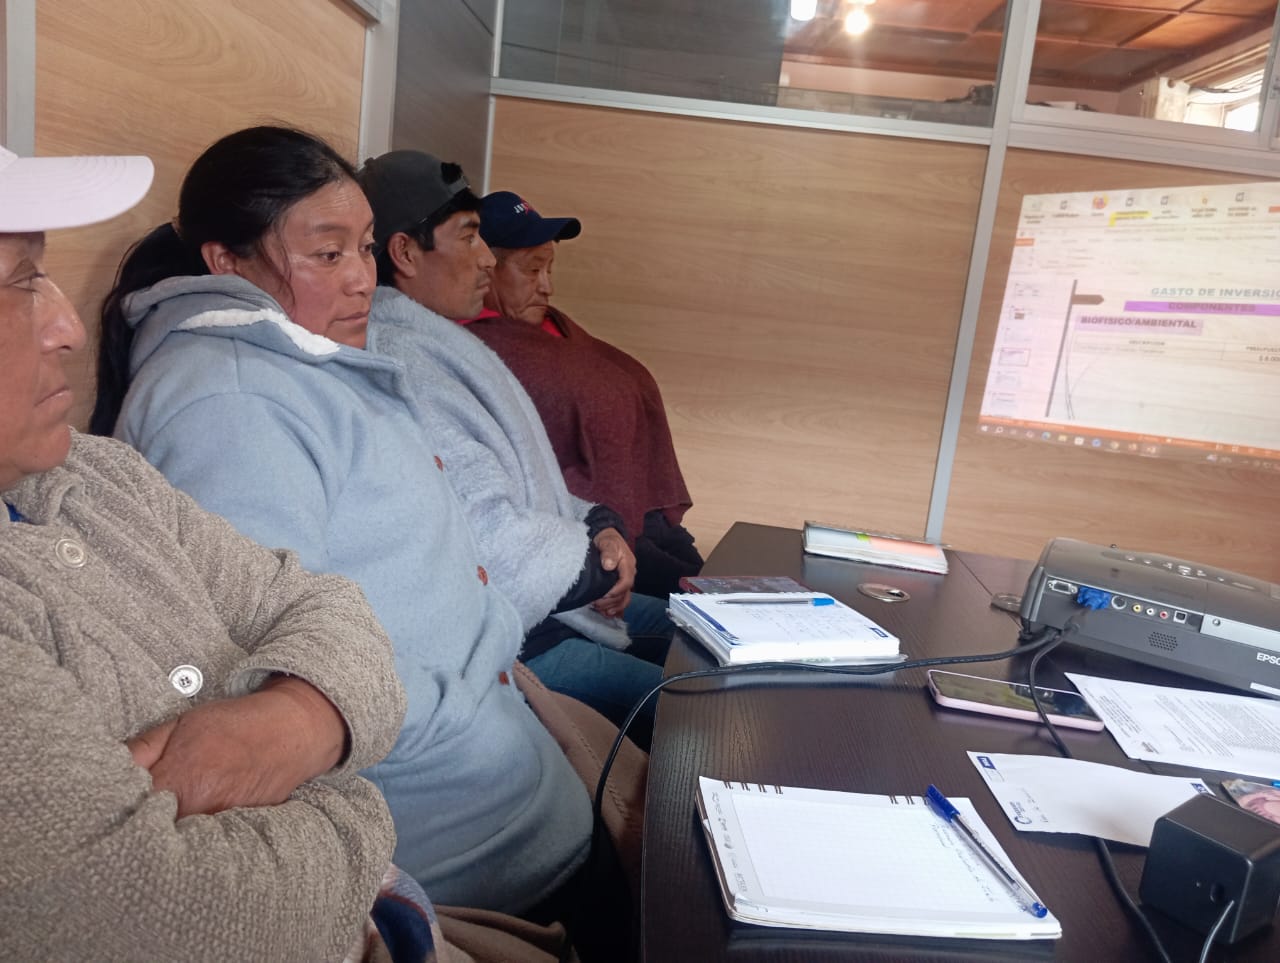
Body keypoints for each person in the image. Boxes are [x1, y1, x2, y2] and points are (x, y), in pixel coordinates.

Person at [89, 127, 593, 917]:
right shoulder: (232, 405)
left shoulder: (305, 359)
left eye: (363, 247)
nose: (363, 278)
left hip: (509, 775)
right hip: (458, 832)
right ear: (226, 262)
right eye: (328, 254)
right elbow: (264, 669)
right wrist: (464, 715)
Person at [0, 144, 412, 960]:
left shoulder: (99, 474)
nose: (68, 327)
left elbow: (330, 606)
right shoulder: (224, 398)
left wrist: (294, 721)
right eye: (19, 282)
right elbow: (150, 918)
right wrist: (353, 808)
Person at [358, 150, 671, 742]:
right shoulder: (401, 362)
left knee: (702, 639)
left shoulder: (439, 345)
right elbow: (488, 535)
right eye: (469, 236)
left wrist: (602, 525)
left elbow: (527, 481)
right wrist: (599, 566)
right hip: (521, 638)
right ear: (404, 253)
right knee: (693, 705)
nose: (486, 259)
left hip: (561, 597)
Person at [471, 189, 703, 599]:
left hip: (643, 500)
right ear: (485, 268)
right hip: (595, 523)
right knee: (698, 596)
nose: (547, 286)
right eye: (533, 270)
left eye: (549, 269)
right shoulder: (480, 343)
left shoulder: (548, 323)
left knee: (709, 580)